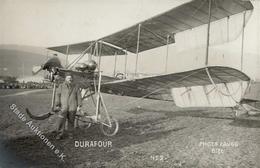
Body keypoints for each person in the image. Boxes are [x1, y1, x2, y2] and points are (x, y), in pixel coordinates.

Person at [55, 73, 82, 140]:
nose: (70, 79)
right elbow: (57, 95)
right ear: (65, 79)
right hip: (63, 107)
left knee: (71, 121)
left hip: (72, 107)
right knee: (61, 121)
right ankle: (59, 134)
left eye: (70, 78)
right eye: (68, 78)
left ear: (72, 79)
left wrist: (79, 105)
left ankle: (70, 134)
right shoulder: (61, 86)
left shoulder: (76, 86)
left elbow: (79, 96)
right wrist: (57, 104)